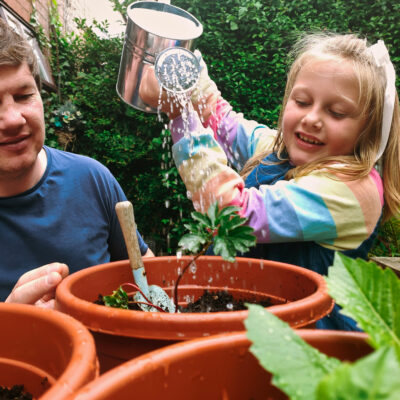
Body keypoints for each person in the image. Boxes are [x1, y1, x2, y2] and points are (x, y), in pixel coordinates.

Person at [140, 32, 400, 330]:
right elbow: (226, 123)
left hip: (304, 345)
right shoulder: (280, 151)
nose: (312, 118)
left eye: (336, 112)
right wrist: (188, 76)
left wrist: (181, 117)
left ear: (368, 130)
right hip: (249, 324)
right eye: (302, 101)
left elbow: (233, 215)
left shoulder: (353, 190)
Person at [0, 19, 154, 304]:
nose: (12, 119)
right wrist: (12, 329)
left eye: (23, 96)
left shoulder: (92, 179)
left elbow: (147, 276)